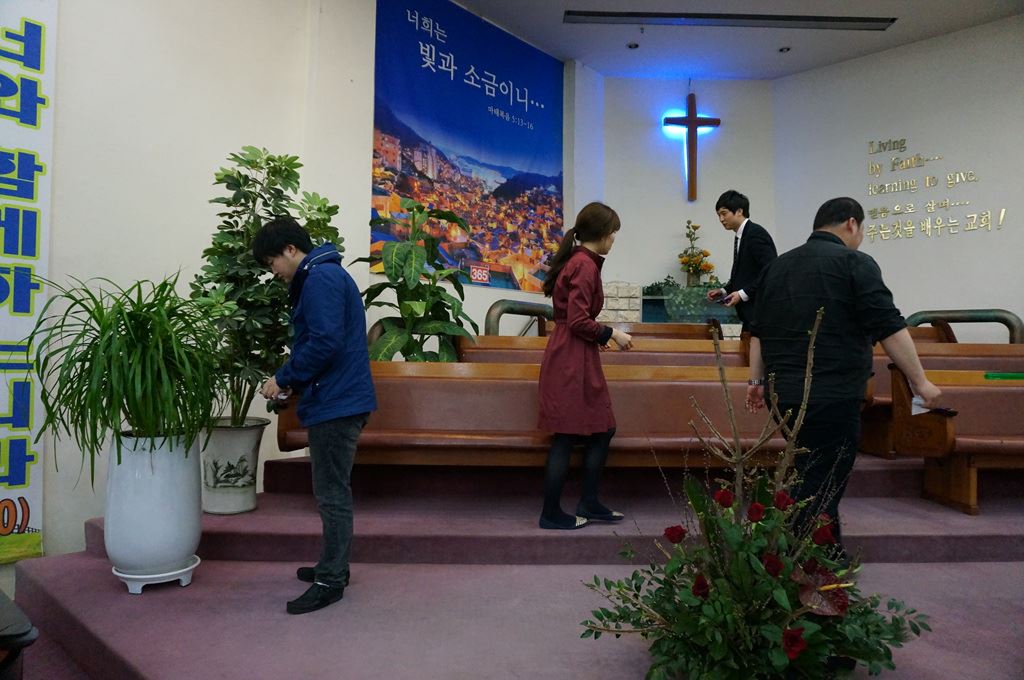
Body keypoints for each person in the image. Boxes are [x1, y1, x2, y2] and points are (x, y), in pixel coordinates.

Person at [745, 197, 941, 558]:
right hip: (832, 392)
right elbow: (889, 326)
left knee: (813, 470)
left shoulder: (777, 267)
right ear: (852, 223)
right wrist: (920, 382)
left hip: (782, 392)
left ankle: (821, 552)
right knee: (824, 476)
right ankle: (800, 558)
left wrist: (756, 384)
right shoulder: (854, 263)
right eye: (862, 229)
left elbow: (757, 332)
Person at [254, 216, 377, 615]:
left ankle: (331, 580)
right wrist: (297, 381)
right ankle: (332, 565)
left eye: (272, 261)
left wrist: (283, 377)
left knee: (332, 495)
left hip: (337, 403)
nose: (273, 271)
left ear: (291, 249)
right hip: (337, 398)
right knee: (332, 492)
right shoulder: (323, 274)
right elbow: (325, 344)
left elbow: (324, 342)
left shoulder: (320, 278)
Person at [537, 202, 634, 530]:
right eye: (613, 233)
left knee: (602, 429)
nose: (614, 239)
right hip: (571, 358)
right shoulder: (585, 265)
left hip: (573, 352)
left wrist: (597, 337)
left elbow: (574, 320)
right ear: (603, 234)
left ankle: (589, 502)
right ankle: (552, 513)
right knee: (566, 435)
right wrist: (612, 333)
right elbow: (578, 319)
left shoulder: (580, 261)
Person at [706, 190, 777, 330]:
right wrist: (724, 291)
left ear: (739, 211)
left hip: (759, 312)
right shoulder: (742, 234)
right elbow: (745, 273)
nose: (721, 219)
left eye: (724, 213)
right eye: (719, 215)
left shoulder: (755, 234)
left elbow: (770, 271)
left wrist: (742, 294)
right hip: (750, 314)